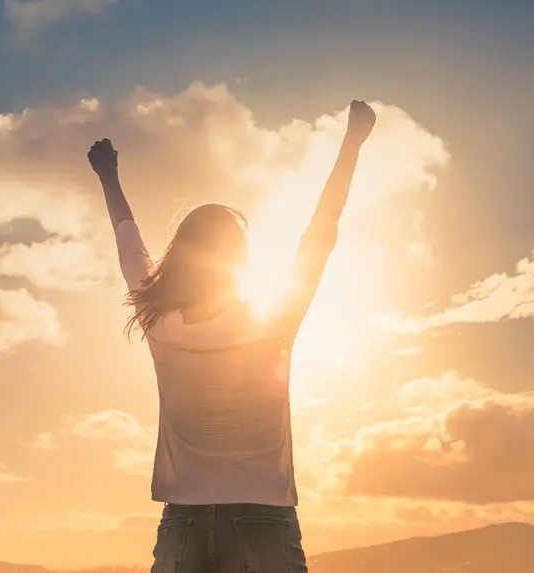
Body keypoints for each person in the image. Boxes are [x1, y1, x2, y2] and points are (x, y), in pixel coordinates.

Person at [87, 100, 377, 573]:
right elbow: (321, 230)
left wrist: (107, 176)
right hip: (264, 520)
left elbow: (129, 242)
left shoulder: (160, 323)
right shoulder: (274, 321)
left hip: (183, 525)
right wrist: (353, 141)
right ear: (239, 262)